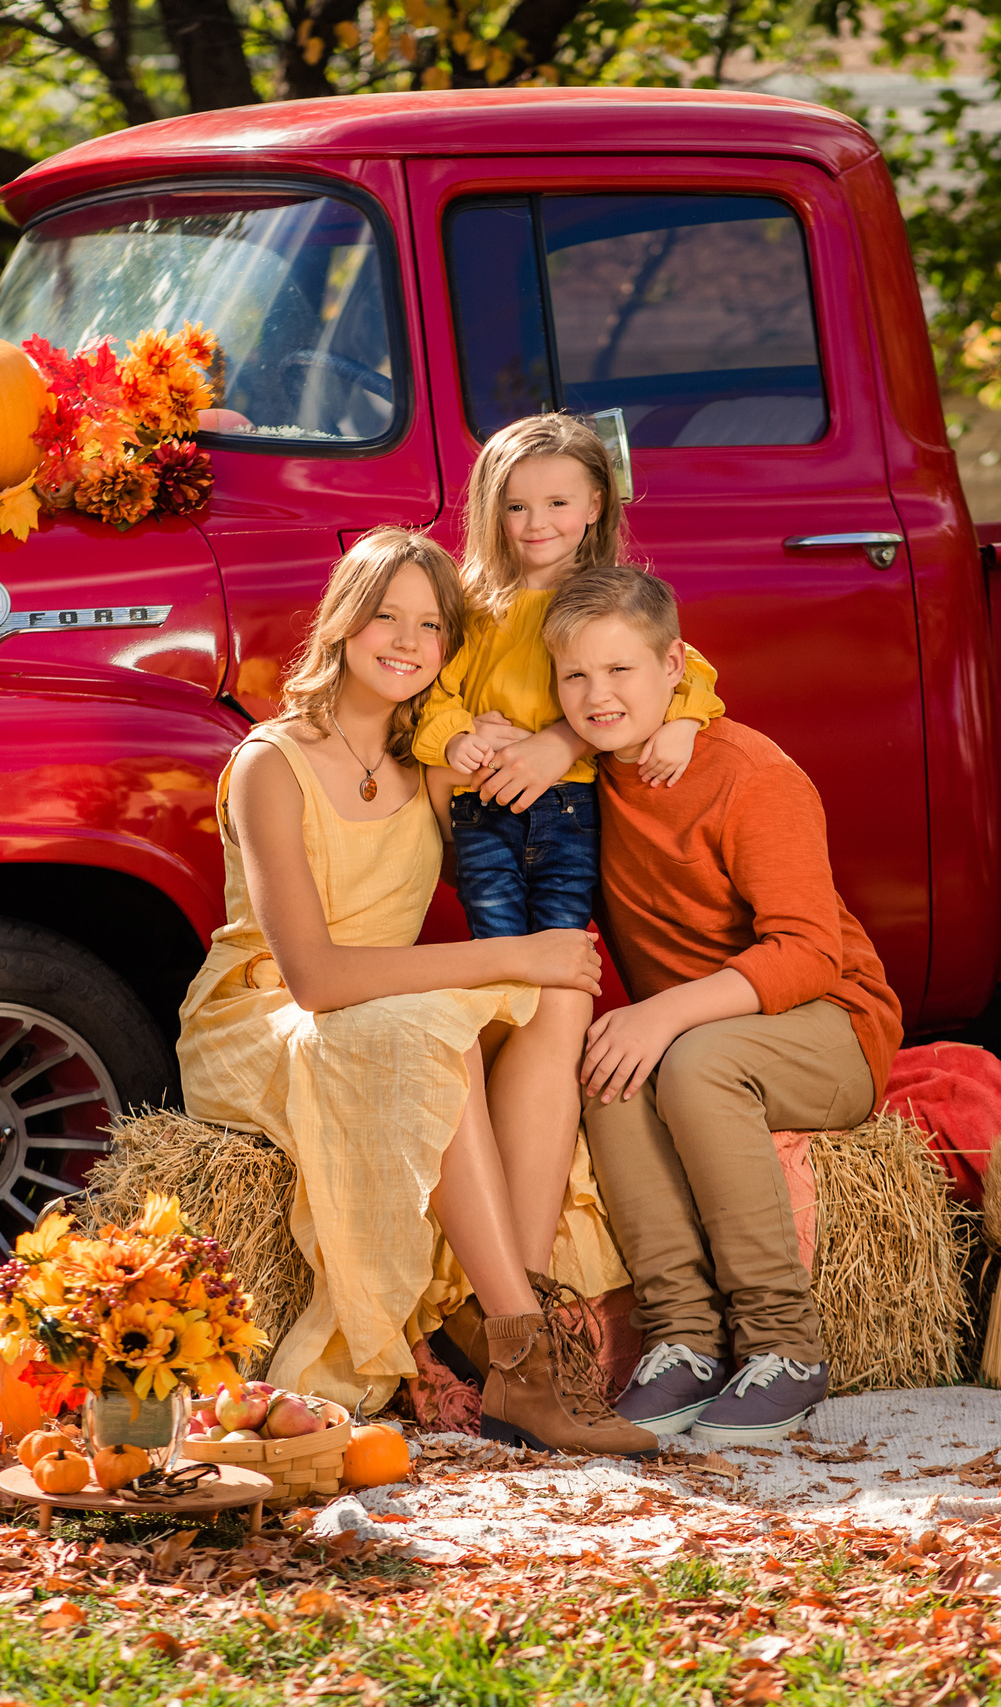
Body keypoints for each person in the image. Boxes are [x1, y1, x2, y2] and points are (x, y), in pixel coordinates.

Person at [176, 527, 653, 1455]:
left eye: (430, 625)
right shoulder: (272, 763)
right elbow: (313, 977)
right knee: (458, 1009)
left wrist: (562, 740)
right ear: (344, 624)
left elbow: (593, 744)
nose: (405, 639)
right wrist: (505, 962)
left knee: (558, 995)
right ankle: (526, 1357)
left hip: (391, 1009)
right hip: (266, 1012)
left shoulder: (434, 767)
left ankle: (497, 1304)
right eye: (385, 615)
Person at [547, 563, 903, 1443]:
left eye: (621, 670)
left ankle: (787, 1343)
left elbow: (810, 952)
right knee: (609, 1063)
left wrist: (664, 1012)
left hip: (830, 1027)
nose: (598, 695)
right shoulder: (590, 781)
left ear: (676, 666)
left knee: (690, 1060)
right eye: (576, 676)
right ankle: (686, 1341)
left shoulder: (750, 773)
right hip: (711, 1029)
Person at [410, 413, 726, 1234]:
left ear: (594, 504)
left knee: (556, 976)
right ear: (492, 512)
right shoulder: (478, 609)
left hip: (569, 813)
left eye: (557, 502)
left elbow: (682, 672)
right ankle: (497, 1216)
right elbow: (431, 703)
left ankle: (529, 1235)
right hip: (487, 813)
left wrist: (590, 735)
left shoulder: (607, 600)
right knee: (501, 975)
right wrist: (467, 737)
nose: (537, 524)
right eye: (517, 507)